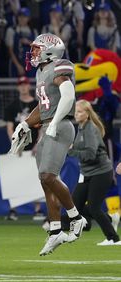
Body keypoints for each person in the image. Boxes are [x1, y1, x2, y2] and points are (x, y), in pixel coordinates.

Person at [11, 33, 87, 256]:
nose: (32, 53)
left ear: (50, 50)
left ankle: (76, 217)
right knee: (45, 182)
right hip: (47, 125)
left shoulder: (61, 66)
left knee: (48, 176)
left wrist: (53, 122)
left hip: (60, 125)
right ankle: (55, 231)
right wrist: (24, 124)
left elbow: (68, 96)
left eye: (36, 49)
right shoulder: (40, 71)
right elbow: (44, 105)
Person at [66, 100, 121, 246]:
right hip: (87, 173)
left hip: (101, 172)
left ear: (87, 114)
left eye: (79, 112)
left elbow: (90, 154)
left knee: (94, 208)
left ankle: (113, 238)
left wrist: (70, 150)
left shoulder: (90, 128)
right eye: (75, 112)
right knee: (75, 205)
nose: (76, 114)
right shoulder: (81, 127)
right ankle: (106, 220)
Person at [3, 76, 44, 221]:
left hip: (34, 146)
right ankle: (13, 210)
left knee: (36, 176)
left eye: (25, 84)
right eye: (20, 84)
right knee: (14, 177)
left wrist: (38, 144)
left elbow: (41, 127)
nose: (23, 87)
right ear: (18, 87)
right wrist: (16, 145)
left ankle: (37, 210)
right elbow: (9, 128)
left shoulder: (36, 104)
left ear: (29, 86)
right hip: (18, 147)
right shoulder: (12, 106)